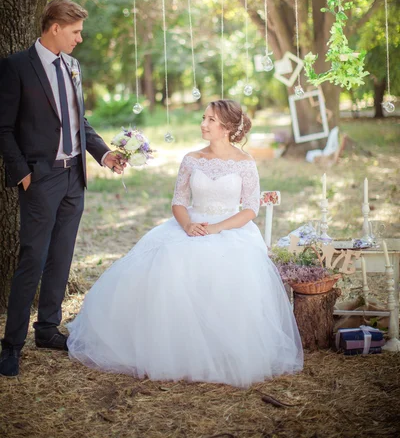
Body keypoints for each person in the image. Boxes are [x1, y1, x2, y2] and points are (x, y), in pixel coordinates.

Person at [67, 99, 303, 387]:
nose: (203, 124)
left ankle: (224, 348)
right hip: (190, 226)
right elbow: (179, 202)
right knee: (169, 262)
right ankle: (175, 346)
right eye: (203, 118)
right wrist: (188, 224)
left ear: (228, 127)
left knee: (228, 269)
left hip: (231, 229)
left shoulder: (245, 163)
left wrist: (216, 228)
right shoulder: (191, 159)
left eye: (211, 120)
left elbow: (250, 209)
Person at [0, 0, 125, 377]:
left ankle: (48, 329)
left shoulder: (73, 66)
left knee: (62, 255)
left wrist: (103, 155)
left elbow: (79, 121)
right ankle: (11, 345)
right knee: (32, 259)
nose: (80, 39)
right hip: (40, 179)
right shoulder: (16, 66)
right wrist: (23, 174)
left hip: (74, 178)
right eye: (75, 32)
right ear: (54, 27)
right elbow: (3, 127)